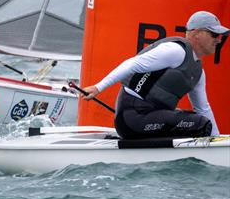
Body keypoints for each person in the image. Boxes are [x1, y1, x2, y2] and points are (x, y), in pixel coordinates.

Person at [82, 10, 227, 139]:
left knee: (198, 120)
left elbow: (203, 108)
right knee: (200, 123)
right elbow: (132, 64)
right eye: (214, 34)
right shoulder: (175, 51)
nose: (219, 40)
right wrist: (98, 88)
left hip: (151, 118)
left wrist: (219, 141)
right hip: (132, 117)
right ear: (196, 33)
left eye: (220, 36)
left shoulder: (199, 73)